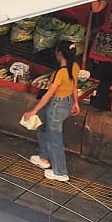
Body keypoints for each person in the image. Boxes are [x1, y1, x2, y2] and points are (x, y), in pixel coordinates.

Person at [27, 41, 82, 183]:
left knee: (55, 139)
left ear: (59, 54)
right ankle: (44, 158)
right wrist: (75, 102)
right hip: (67, 102)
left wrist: (34, 110)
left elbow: (48, 95)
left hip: (56, 105)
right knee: (43, 129)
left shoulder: (61, 73)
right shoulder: (75, 67)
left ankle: (60, 172)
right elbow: (75, 86)